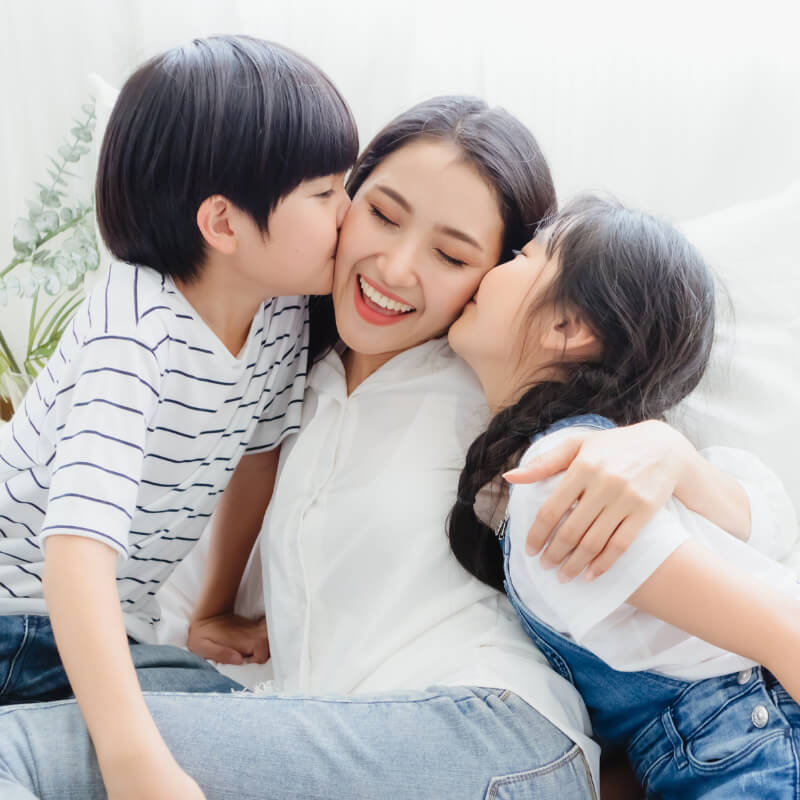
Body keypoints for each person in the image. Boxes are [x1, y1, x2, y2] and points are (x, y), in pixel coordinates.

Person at [0, 98, 788, 800]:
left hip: (486, 730)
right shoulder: (288, 375)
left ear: (498, 280)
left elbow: (743, 527)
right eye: (381, 214)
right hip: (337, 726)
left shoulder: (491, 384)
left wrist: (667, 454)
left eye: (453, 256)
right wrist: (213, 609)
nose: (396, 267)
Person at [0, 35, 355, 799]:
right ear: (224, 225)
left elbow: (255, 462)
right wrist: (136, 766)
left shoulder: (282, 310)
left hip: (99, 638)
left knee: (239, 715)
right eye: (326, 194)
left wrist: (215, 607)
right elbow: (76, 556)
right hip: (17, 617)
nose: (350, 215)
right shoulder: (134, 331)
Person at [446, 195, 800, 798]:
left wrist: (678, 458)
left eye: (524, 255)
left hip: (758, 740)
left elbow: (782, 630)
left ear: (567, 328)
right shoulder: (543, 480)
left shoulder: (563, 476)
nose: (492, 269)